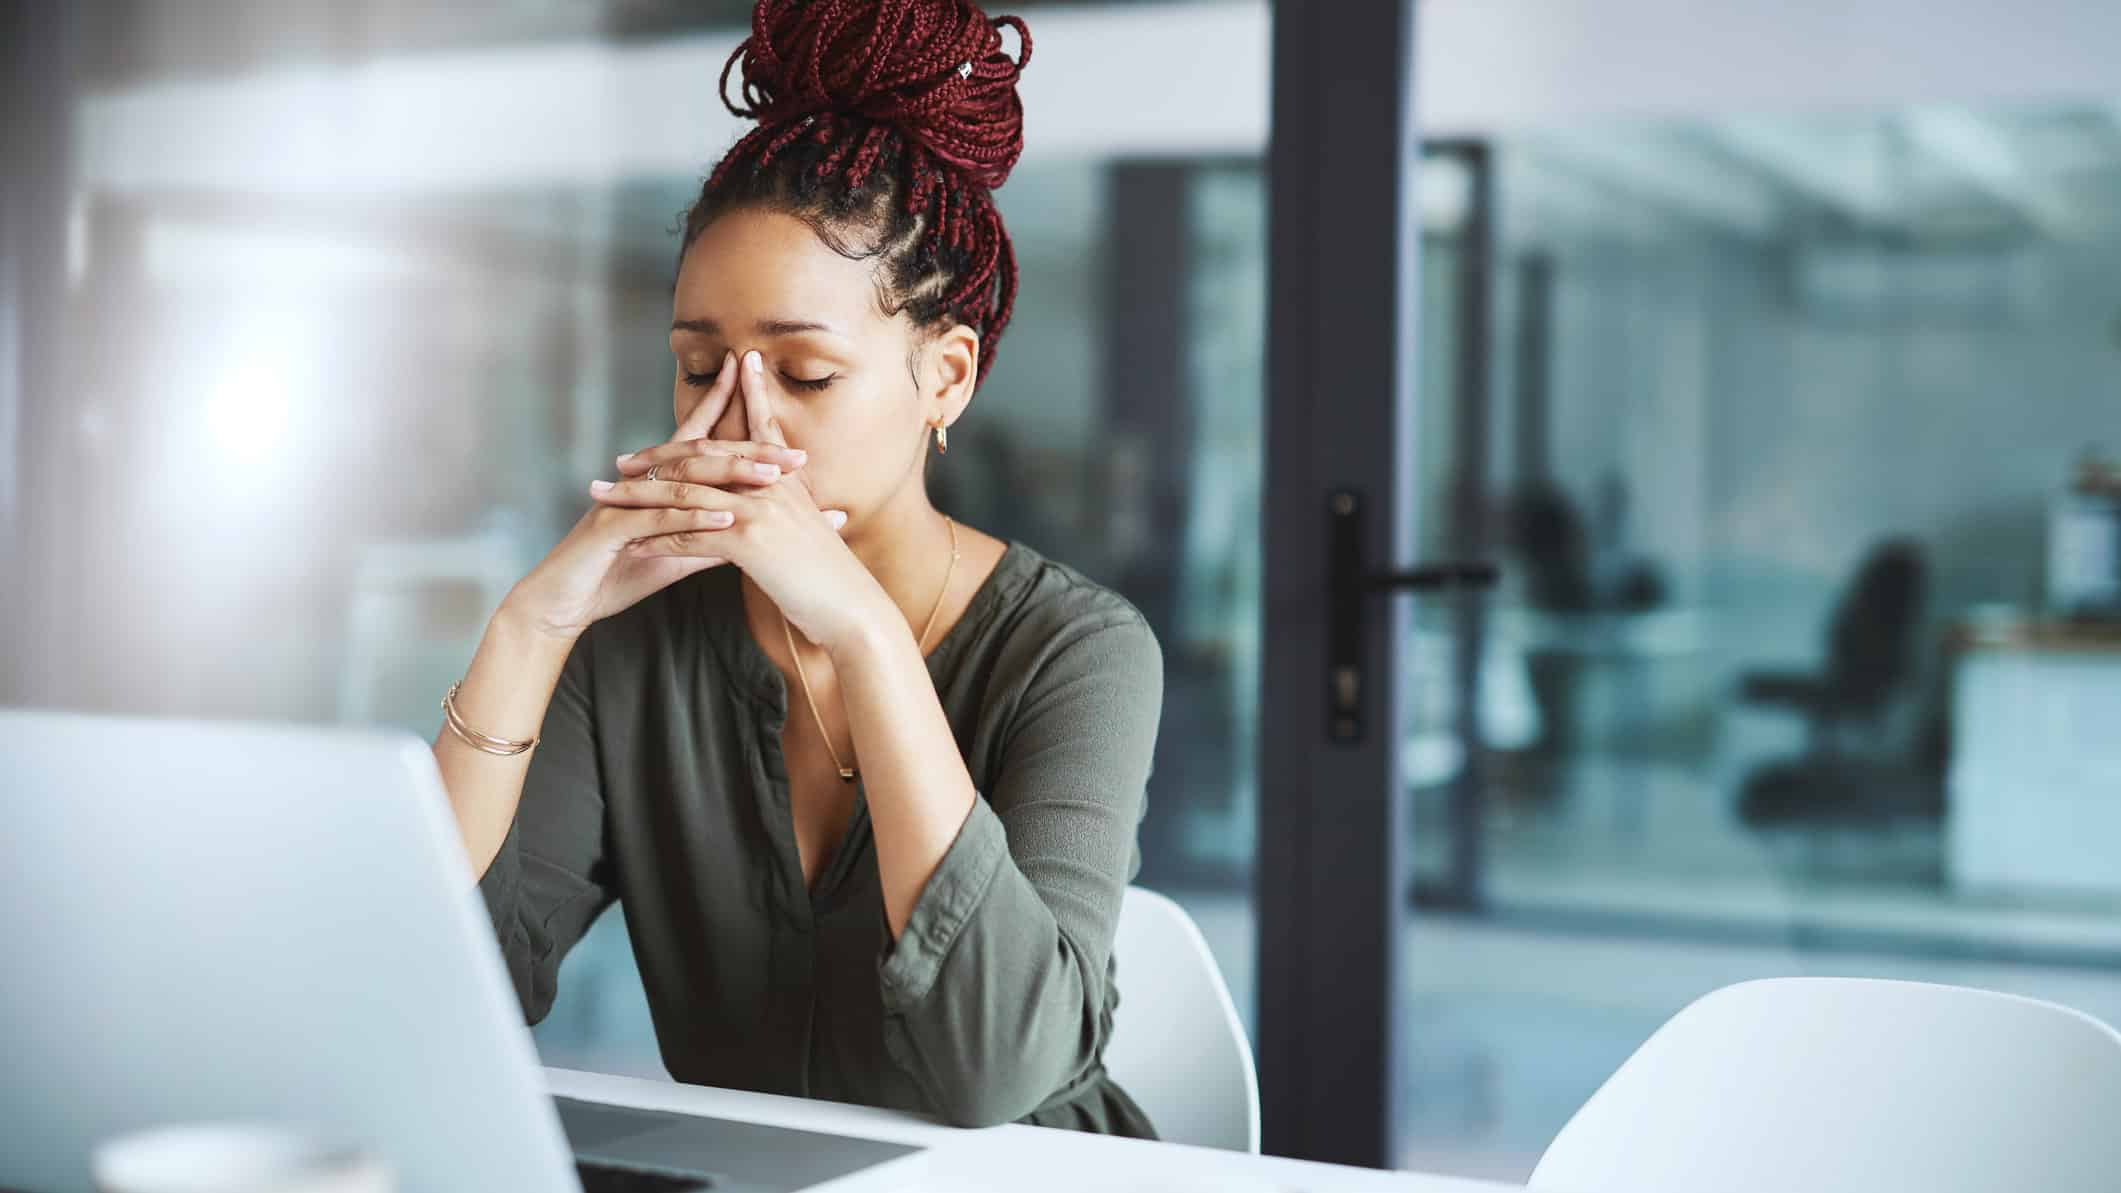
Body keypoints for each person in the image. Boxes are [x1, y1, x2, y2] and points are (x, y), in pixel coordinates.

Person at [428, 0, 1162, 1137]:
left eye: (807, 375)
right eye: (696, 367)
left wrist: (863, 632)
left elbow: (995, 1075)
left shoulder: (1080, 649)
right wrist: (531, 626)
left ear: (947, 377)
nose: (738, 423)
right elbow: (449, 987)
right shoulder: (633, 640)